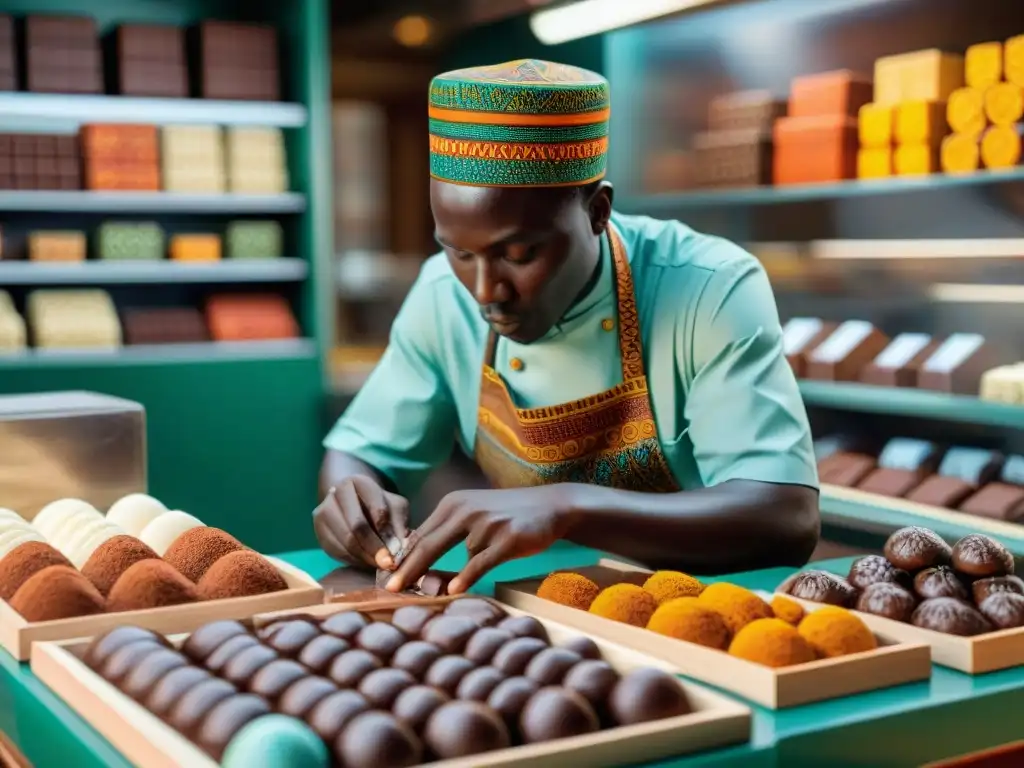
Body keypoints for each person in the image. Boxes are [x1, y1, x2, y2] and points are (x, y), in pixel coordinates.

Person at [316, 59, 819, 595]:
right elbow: (362, 451)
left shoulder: (709, 286)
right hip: (527, 606)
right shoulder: (442, 295)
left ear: (597, 212)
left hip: (691, 611)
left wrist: (566, 506)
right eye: (460, 252)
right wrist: (353, 495)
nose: (486, 290)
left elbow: (784, 515)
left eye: (520, 253)